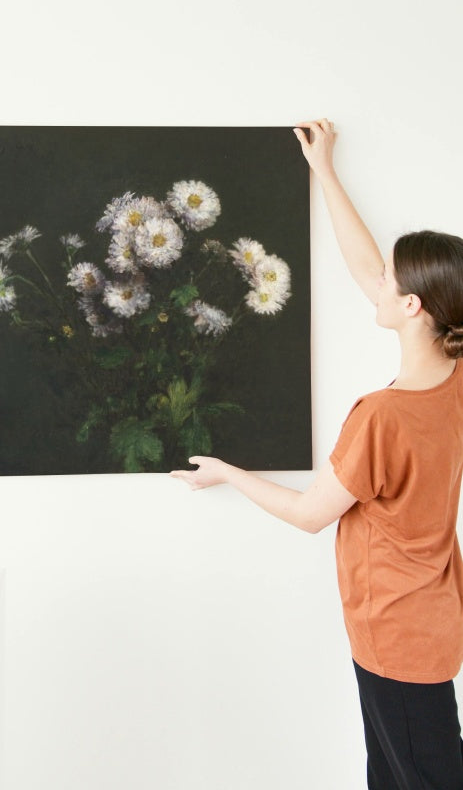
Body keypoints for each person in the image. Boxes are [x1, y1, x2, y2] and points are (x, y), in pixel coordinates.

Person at [170, 117, 463, 790]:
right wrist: (323, 170)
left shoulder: (382, 417)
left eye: (390, 283)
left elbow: (309, 514)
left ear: (414, 305)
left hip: (397, 635)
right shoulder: (451, 374)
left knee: (418, 777)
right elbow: (367, 267)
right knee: (393, 773)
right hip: (423, 621)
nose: (376, 283)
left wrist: (228, 472)